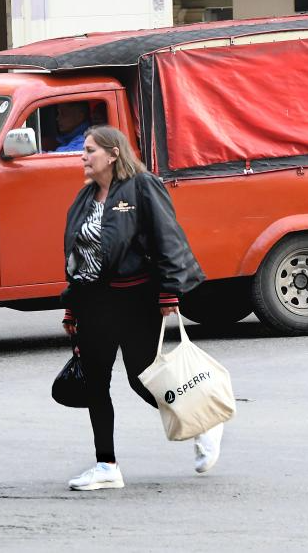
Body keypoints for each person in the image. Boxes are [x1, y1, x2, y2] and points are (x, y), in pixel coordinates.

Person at [60, 125, 216, 492]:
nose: (83, 156)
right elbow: (77, 255)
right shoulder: (84, 198)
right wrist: (72, 305)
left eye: (90, 150)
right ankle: (106, 465)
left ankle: (202, 421)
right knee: (95, 383)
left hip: (135, 298)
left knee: (141, 378)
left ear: (113, 154)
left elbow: (168, 237)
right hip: (93, 302)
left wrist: (170, 291)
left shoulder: (141, 186)